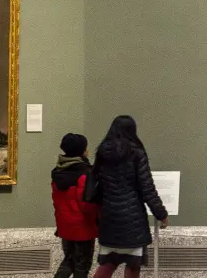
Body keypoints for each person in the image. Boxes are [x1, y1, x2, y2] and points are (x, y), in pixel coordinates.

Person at [91, 116, 168, 278]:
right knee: (133, 265)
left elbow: (96, 183)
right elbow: (147, 188)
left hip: (109, 216)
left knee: (108, 263)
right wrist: (161, 213)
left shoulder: (102, 152)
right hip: (133, 218)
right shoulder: (136, 153)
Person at [51, 133, 99, 278]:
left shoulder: (57, 171)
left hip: (65, 225)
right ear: (82, 151)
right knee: (82, 266)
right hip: (83, 227)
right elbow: (87, 204)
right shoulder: (85, 172)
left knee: (69, 261)